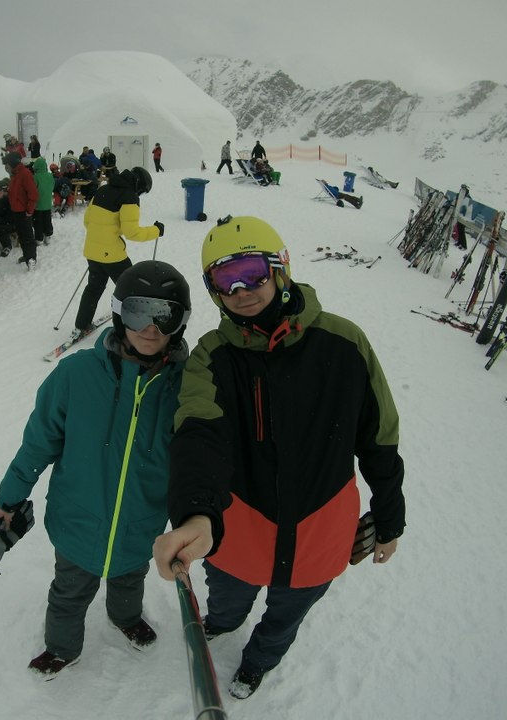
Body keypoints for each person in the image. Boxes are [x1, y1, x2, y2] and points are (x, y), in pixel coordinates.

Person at [152, 215, 406, 700]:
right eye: (224, 280)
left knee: (287, 613)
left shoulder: (343, 342)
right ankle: (223, 624)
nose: (242, 289)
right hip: (237, 532)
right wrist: (197, 513)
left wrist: (389, 517)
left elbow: (379, 436)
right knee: (227, 596)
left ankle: (259, 660)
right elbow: (198, 432)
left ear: (280, 268)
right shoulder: (213, 356)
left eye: (252, 271)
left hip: (319, 532)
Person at [0, 260, 193, 679]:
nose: (150, 328)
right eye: (138, 312)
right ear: (119, 313)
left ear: (180, 322)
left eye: (164, 315)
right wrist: (9, 498)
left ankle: (125, 617)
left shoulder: (188, 387)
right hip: (77, 521)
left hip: (141, 524)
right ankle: (62, 647)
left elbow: (198, 461)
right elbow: (38, 443)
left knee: (128, 578)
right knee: (69, 591)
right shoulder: (76, 374)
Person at [71, 166, 162, 337]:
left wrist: (104, 236)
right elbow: (132, 232)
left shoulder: (102, 190)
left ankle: (82, 324)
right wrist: (156, 230)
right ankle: (134, 325)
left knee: (94, 288)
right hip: (113, 255)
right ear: (139, 185)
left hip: (92, 251)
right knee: (131, 289)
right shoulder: (130, 198)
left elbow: (87, 221)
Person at [2, 152, 38, 269]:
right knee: (21, 236)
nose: (5, 167)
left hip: (24, 211)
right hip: (16, 210)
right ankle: (27, 255)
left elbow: (33, 194)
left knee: (27, 235)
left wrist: (29, 211)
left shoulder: (25, 173)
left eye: (7, 164)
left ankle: (31, 258)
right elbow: (18, 191)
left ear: (12, 163)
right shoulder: (14, 174)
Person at [31, 157, 54, 246]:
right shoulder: (50, 175)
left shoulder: (35, 177)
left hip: (38, 204)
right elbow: (52, 185)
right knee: (47, 220)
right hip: (48, 203)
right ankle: (48, 236)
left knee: (38, 222)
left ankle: (39, 238)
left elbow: (33, 190)